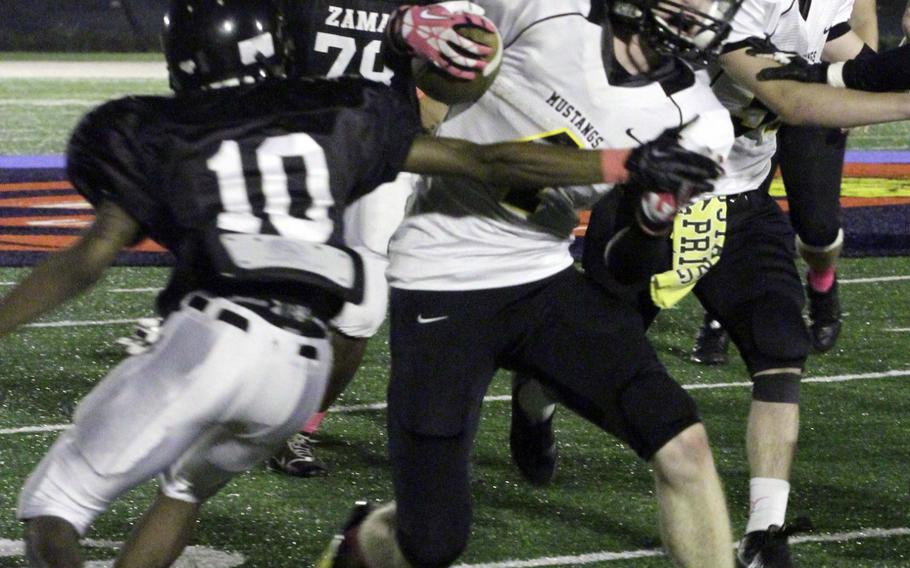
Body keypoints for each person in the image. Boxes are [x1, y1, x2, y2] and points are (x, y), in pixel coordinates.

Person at [5, 1, 720, 566]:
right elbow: (477, 138)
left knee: (56, 506)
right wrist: (620, 164)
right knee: (216, 494)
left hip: (232, 332)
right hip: (358, 334)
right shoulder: (351, 111)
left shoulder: (151, 128)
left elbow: (90, 257)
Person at [320, 1, 744, 567]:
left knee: (683, 445)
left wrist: (650, 221)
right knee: (431, 543)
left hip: (542, 275)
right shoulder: (544, 9)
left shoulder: (701, 119)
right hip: (441, 275)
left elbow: (622, 269)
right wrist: (405, 35)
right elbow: (456, 110)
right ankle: (361, 539)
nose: (706, 8)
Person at [578, 0, 910, 565]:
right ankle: (533, 402)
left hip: (742, 198)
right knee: (590, 351)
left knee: (780, 342)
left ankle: (765, 530)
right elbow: (792, 100)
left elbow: (852, 67)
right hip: (664, 189)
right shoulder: (740, 3)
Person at [267, 0, 486, 477]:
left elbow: (439, 103)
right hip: (297, 149)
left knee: (361, 311)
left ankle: (300, 427)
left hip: (381, 158)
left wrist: (442, 89)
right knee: (265, 282)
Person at [692, 0, 880, 365]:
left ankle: (820, 285)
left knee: (816, 224)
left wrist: (888, 77)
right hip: (703, 146)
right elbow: (787, 98)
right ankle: (721, 315)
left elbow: (841, 38)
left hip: (767, 128)